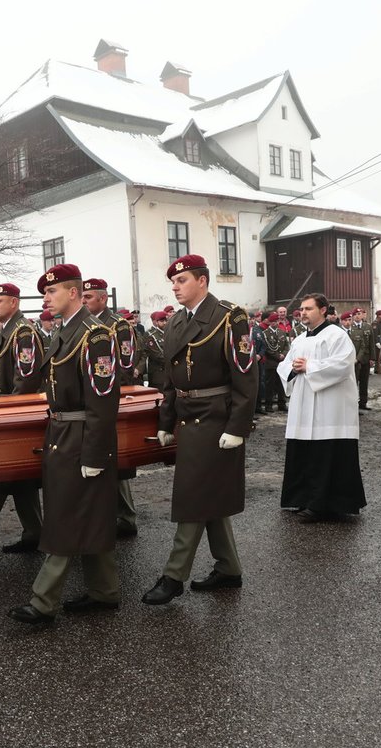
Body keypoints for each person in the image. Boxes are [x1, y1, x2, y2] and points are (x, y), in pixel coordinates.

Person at [6, 263, 121, 624]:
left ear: (73, 292)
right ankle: (105, 592)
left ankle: (43, 601)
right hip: (60, 434)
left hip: (81, 435)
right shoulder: (62, 333)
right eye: (44, 294)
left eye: (51, 292)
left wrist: (95, 452)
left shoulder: (95, 335)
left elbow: (104, 401)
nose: (46, 299)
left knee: (66, 517)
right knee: (86, 512)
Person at [143, 255, 256, 606]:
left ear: (202, 281)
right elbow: (169, 380)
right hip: (188, 416)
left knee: (192, 495)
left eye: (182, 281)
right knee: (208, 493)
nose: (175, 287)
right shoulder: (176, 322)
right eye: (173, 283)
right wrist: (165, 421)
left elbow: (245, 376)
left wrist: (238, 426)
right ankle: (228, 568)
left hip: (216, 418)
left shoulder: (228, 317)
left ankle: (174, 576)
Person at [277, 294, 366, 522]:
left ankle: (324, 504)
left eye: (308, 308)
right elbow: (284, 365)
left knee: (326, 455)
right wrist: (294, 368)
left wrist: (310, 366)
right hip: (303, 407)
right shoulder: (299, 340)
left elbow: (344, 365)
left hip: (330, 409)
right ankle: (303, 498)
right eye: (301, 309)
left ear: (323, 310)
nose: (303, 313)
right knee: (304, 454)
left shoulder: (337, 336)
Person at [0, 283, 44, 554]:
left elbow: (25, 380)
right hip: (9, 412)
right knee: (21, 479)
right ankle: (34, 534)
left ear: (14, 302)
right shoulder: (8, 330)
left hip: (17, 415)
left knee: (0, 476)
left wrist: (8, 414)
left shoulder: (23, 331)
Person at [83, 278, 141, 537]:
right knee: (102, 457)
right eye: (82, 296)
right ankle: (114, 514)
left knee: (113, 459)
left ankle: (126, 516)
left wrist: (119, 398)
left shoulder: (117, 325)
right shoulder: (87, 325)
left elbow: (126, 365)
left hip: (112, 398)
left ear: (103, 299)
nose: (84, 301)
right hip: (93, 398)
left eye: (89, 297)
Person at [261, 313, 290, 413]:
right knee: (270, 385)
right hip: (271, 363)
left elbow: (287, 345)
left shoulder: (281, 332)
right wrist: (277, 356)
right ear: (269, 322)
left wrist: (284, 354)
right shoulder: (265, 333)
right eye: (273, 322)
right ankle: (268, 405)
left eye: (276, 321)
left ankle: (281, 404)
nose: (275, 323)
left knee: (281, 385)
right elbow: (267, 348)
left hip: (281, 363)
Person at [347, 308, 374, 410]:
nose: (357, 316)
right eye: (355, 314)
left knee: (364, 382)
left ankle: (363, 402)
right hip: (355, 358)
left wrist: (372, 358)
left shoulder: (368, 326)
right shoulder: (351, 327)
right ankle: (354, 404)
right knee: (355, 382)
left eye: (359, 314)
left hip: (366, 358)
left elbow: (371, 343)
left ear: (362, 315)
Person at [143, 310, 169, 390]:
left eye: (165, 320)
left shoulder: (169, 333)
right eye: (162, 321)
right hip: (158, 374)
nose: (164, 323)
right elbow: (157, 355)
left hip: (169, 372)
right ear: (156, 322)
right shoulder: (152, 336)